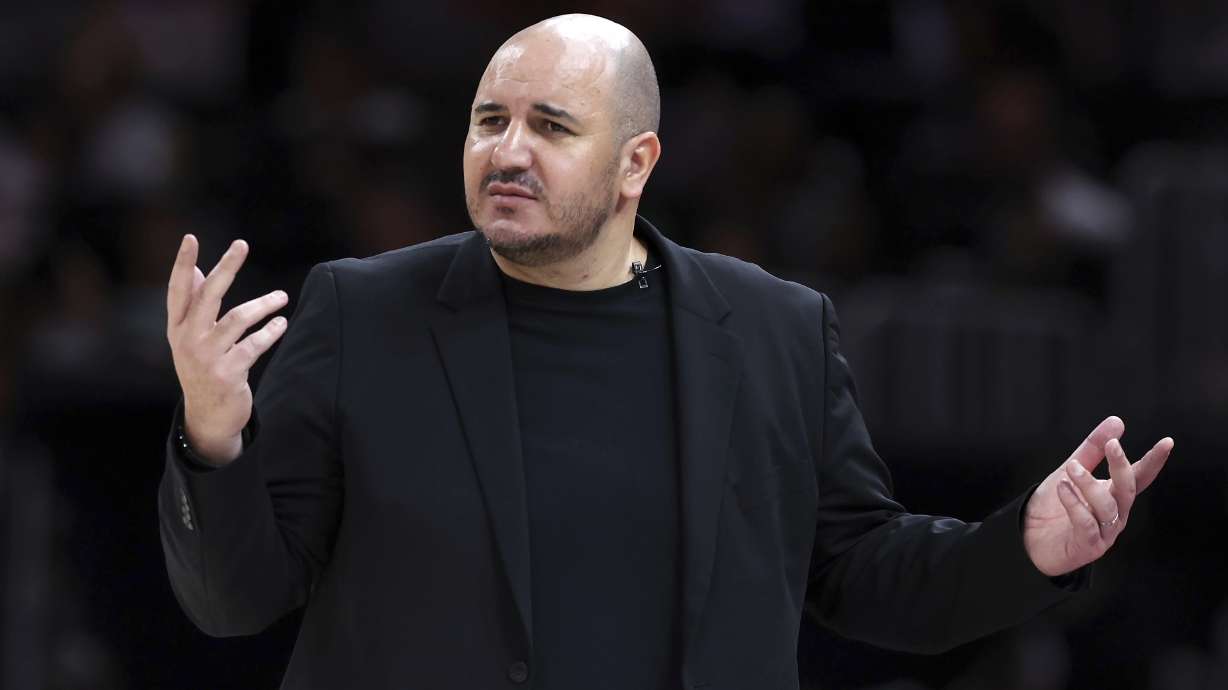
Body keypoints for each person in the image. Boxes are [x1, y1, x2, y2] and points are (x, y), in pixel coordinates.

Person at [158, 14, 1174, 690]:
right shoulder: (363, 313)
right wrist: (212, 438)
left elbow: (862, 574)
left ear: (634, 161)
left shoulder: (774, 331)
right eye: (488, 121)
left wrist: (1022, 550)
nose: (507, 151)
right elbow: (235, 601)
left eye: (551, 126)